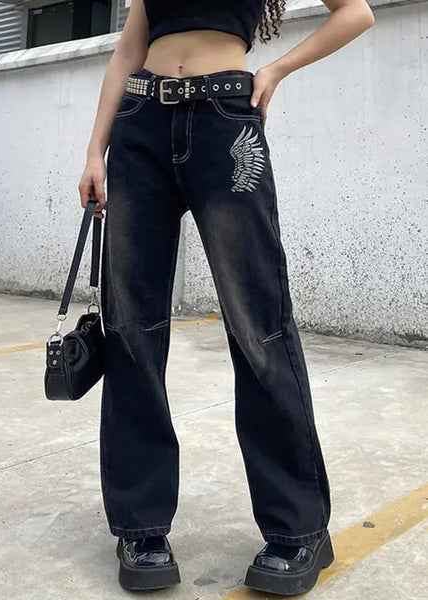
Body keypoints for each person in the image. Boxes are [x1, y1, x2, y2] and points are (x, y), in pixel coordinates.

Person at [78, 0, 375, 594]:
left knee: (259, 325)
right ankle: (140, 527)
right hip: (140, 125)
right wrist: (95, 152)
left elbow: (356, 13)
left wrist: (276, 70)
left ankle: (298, 529)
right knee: (131, 331)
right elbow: (129, 51)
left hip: (226, 121)